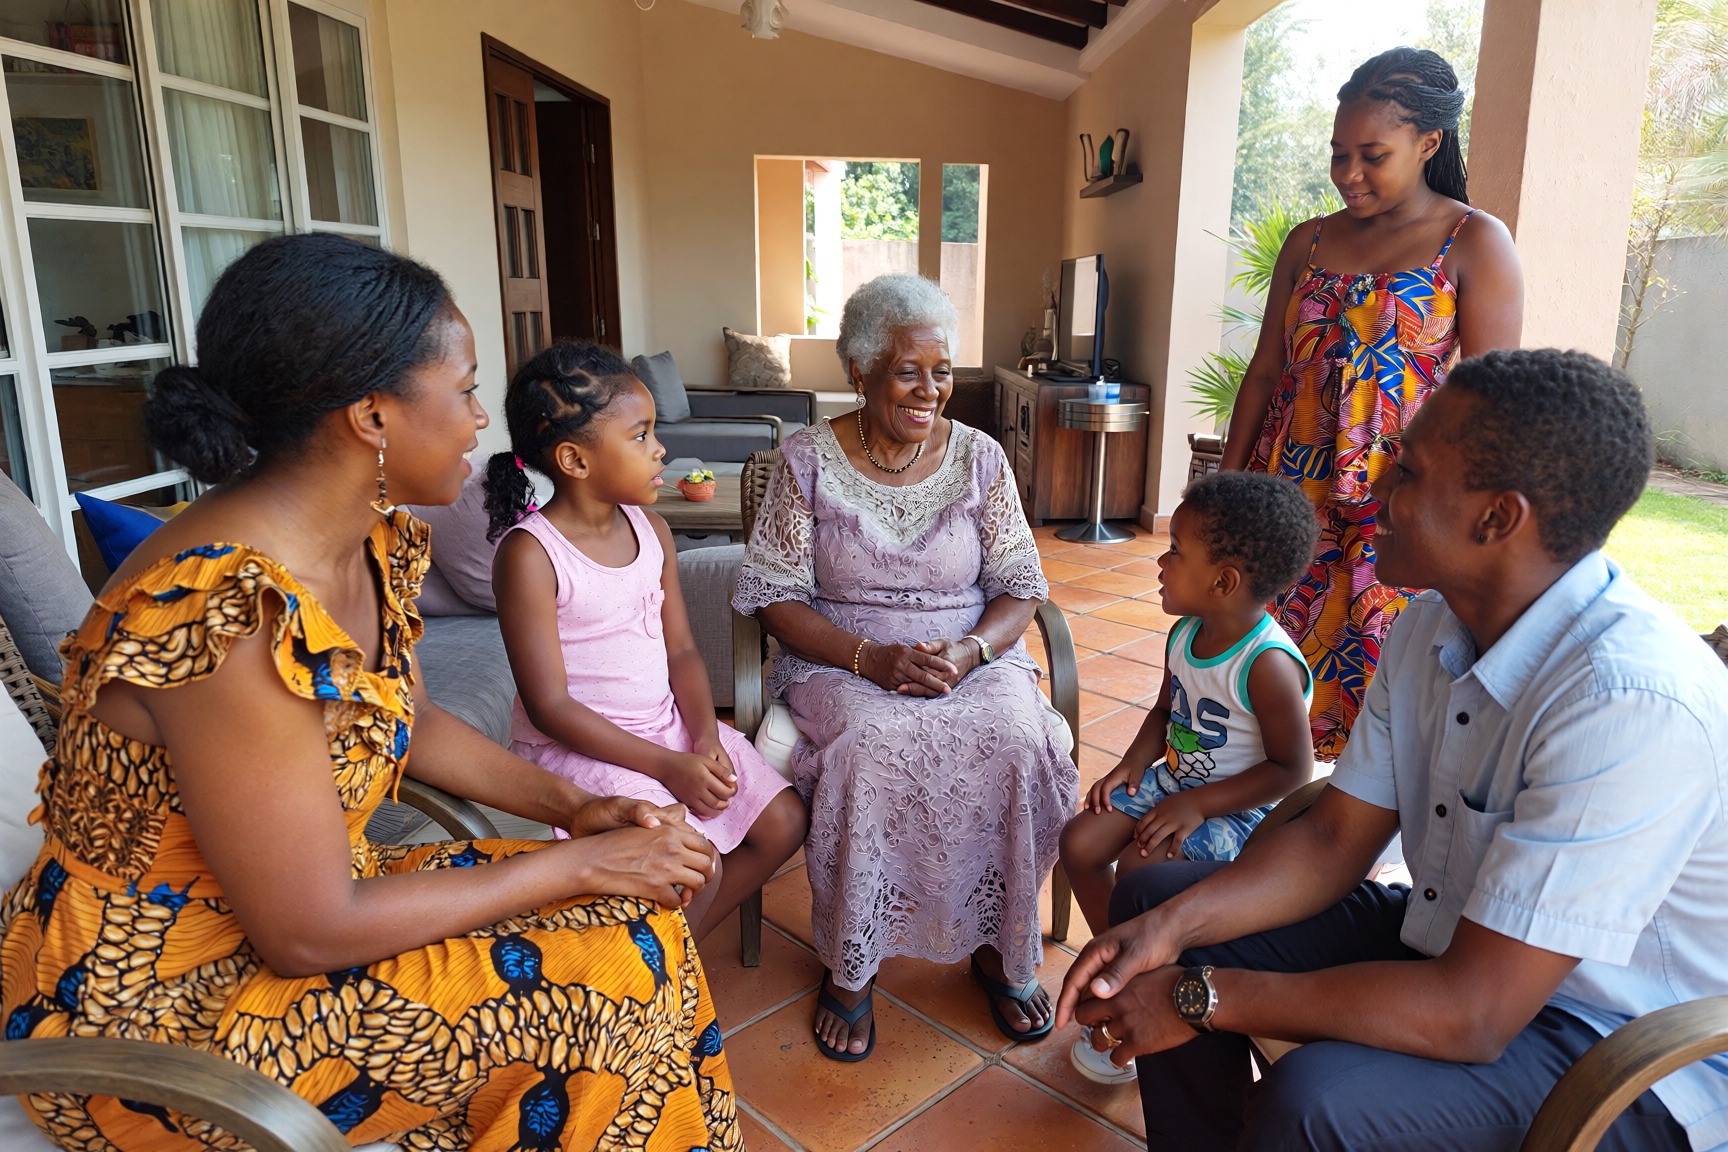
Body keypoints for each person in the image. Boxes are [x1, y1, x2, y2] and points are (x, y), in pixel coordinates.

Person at [0, 235, 741, 1151]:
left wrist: (580, 806)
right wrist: (570, 864)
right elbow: (306, 935)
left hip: (288, 912)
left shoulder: (367, 538)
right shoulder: (227, 612)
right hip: (161, 1000)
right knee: (617, 973)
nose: (481, 421)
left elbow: (413, 721)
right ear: (372, 414)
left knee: (643, 923)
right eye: (465, 390)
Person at [1056, 349, 1728, 1152]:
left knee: (1318, 1104)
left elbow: (1474, 1013)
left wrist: (1201, 995)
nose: (1370, 487)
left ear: (1497, 518)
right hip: (1451, 940)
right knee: (1152, 901)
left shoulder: (1625, 702)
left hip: (1616, 1040)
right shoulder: (1428, 627)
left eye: (1405, 471)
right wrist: (1169, 931)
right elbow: (1333, 839)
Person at [732, 274, 1078, 1061]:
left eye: (943, 370)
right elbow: (774, 599)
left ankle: (1000, 945)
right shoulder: (805, 460)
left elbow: (1021, 587)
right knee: (873, 750)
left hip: (971, 653)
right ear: (859, 372)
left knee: (1018, 739)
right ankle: (853, 967)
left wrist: (972, 650)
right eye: (908, 371)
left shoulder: (982, 457)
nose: (932, 390)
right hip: (842, 657)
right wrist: (871, 658)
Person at [1221, 46, 1525, 759]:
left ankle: (1348, 838)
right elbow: (1265, 373)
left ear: (1428, 143)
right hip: (1285, 494)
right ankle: (1250, 810)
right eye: (1338, 153)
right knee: (1262, 663)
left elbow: (1489, 404)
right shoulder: (1310, 242)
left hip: (1393, 502)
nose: (1349, 174)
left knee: (1380, 682)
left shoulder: (1474, 242)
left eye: (1371, 154)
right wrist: (1228, 489)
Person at [486, 340, 807, 942]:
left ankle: (675, 964)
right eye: (640, 435)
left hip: (669, 729)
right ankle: (666, 982)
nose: (661, 448)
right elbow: (549, 708)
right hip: (584, 750)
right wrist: (670, 767)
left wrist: (706, 737)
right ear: (575, 461)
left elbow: (682, 651)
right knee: (689, 864)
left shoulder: (651, 528)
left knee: (785, 820)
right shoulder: (531, 555)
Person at [1058, 471, 1316, 1086]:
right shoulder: (1186, 633)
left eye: (1175, 550)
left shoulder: (1267, 665)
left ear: (1223, 581)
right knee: (1081, 843)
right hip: (1179, 786)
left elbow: (1292, 770)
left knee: (1147, 875)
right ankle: (1125, 976)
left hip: (1238, 809)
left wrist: (1199, 804)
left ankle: (1138, 996)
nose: (1161, 561)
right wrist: (1131, 765)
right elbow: (1163, 711)